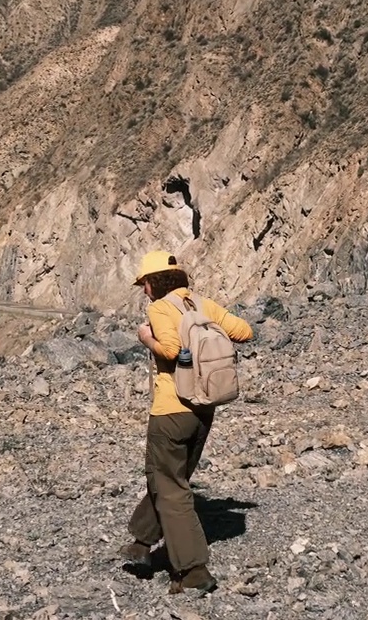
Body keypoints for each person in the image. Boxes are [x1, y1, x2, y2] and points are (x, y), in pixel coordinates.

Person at [118, 250, 253, 594]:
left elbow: (171, 348)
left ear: (153, 283)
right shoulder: (203, 305)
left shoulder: (159, 308)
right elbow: (244, 332)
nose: (144, 290)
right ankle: (141, 542)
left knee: (169, 485)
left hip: (171, 410)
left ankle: (193, 569)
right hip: (203, 410)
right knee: (171, 478)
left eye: (144, 284)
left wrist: (144, 337)